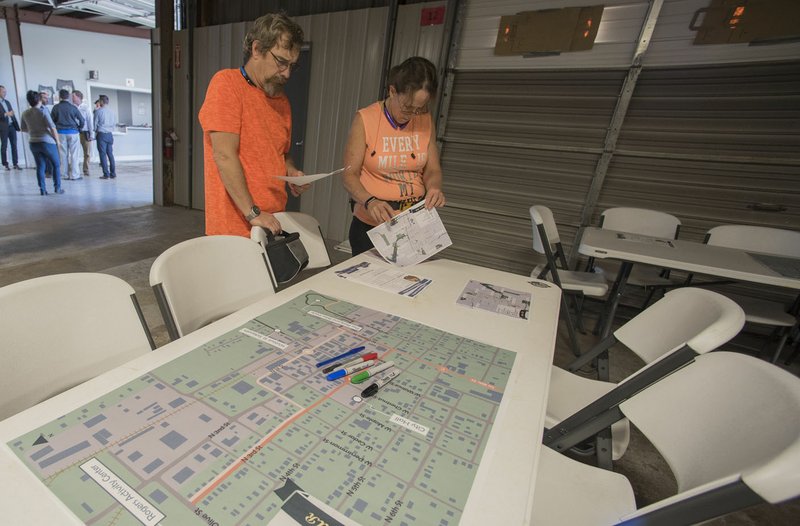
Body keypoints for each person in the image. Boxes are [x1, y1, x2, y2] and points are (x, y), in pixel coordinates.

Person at [198, 12, 310, 237]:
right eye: (281, 62)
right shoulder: (227, 85)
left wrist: (292, 172)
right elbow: (224, 155)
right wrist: (252, 212)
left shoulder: (282, 102)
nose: (287, 73)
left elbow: (282, 153)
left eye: (292, 66)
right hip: (236, 226)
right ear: (257, 49)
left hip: (273, 220)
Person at [342, 56, 446, 256]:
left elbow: (432, 169)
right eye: (408, 107)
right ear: (392, 91)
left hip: (415, 222)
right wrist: (370, 201)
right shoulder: (366, 119)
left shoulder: (425, 120)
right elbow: (349, 175)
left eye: (420, 108)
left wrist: (434, 187)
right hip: (373, 225)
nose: (413, 114)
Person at [20, 90, 63, 195]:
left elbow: (23, 129)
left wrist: (34, 130)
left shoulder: (25, 113)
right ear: (39, 99)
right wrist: (57, 141)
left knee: (40, 166)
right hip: (46, 142)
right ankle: (57, 188)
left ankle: (42, 190)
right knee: (56, 164)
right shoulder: (43, 112)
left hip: (33, 142)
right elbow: (52, 127)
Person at [50, 88, 84, 181]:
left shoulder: (56, 108)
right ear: (68, 97)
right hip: (73, 132)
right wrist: (79, 128)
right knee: (74, 155)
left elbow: (51, 121)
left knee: (62, 154)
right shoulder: (73, 108)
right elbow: (82, 120)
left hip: (60, 133)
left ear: (59, 97)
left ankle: (64, 174)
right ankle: (74, 175)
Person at [94, 94, 117, 179]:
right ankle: (113, 173)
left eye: (99, 101)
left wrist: (96, 131)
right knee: (110, 154)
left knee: (103, 155)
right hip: (110, 135)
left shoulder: (98, 112)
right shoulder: (112, 112)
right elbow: (114, 124)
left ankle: (106, 174)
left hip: (101, 135)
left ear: (102, 102)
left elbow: (94, 125)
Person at [72, 90, 94, 176]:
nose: (72, 98)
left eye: (73, 96)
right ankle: (74, 169)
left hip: (85, 132)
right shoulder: (72, 107)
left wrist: (91, 134)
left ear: (78, 97)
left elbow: (90, 121)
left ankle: (86, 169)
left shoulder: (86, 108)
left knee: (87, 153)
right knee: (74, 152)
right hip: (75, 132)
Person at [0, 85, 21, 170]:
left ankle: (15, 163)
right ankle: (5, 164)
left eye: (5, 91)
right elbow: (5, 114)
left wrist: (17, 126)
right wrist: (6, 114)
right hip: (3, 127)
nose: (5, 93)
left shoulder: (7, 102)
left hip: (11, 126)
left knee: (14, 145)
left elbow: (12, 113)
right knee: (4, 146)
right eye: (3, 91)